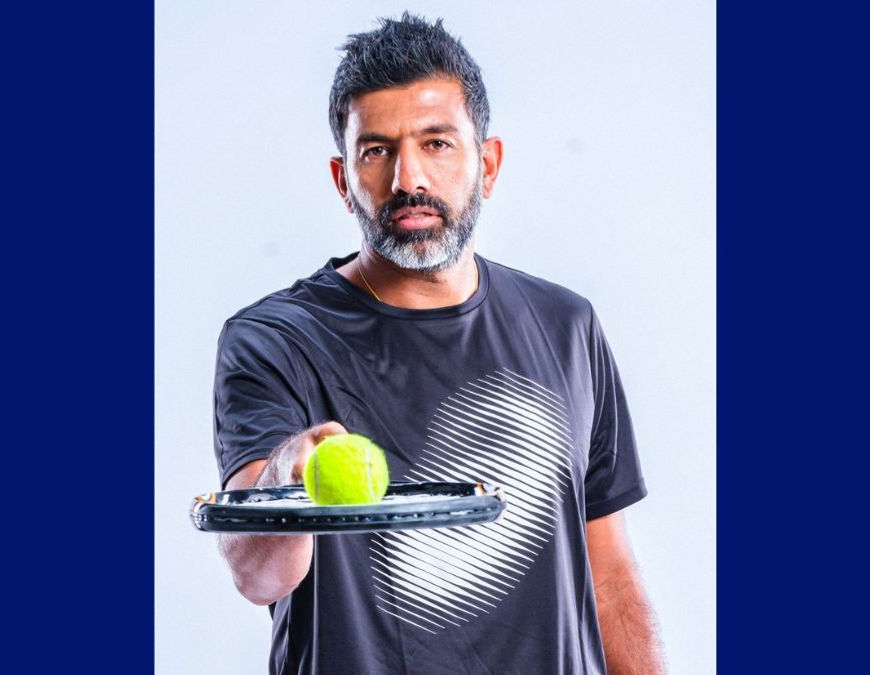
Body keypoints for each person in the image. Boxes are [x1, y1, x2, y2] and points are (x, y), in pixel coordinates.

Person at [214, 12, 666, 674]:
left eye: (437, 143)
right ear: (343, 180)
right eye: (377, 151)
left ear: (488, 163)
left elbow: (612, 577)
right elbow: (258, 576)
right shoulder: (274, 341)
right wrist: (291, 475)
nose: (409, 179)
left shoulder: (567, 325)